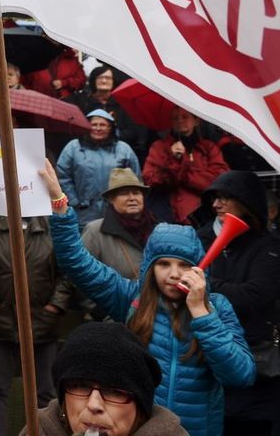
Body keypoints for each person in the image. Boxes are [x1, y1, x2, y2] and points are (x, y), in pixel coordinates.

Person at [42, 160, 255, 436]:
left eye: (182, 265)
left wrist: (202, 313)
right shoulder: (132, 298)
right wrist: (59, 204)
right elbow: (77, 262)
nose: (173, 273)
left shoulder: (218, 307)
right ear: (150, 268)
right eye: (163, 264)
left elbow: (240, 375)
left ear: (198, 268)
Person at [0, 209, 70, 435]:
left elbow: (67, 271)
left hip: (43, 324)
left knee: (46, 393)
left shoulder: (50, 224)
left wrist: (53, 307)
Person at [199, 171, 280, 435]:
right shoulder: (199, 238)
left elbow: (253, 297)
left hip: (256, 365)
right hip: (208, 360)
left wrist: (206, 283)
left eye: (226, 197)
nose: (217, 204)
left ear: (247, 201)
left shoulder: (270, 246)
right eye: (215, 198)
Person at [21, 321, 186, 436]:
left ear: (140, 408)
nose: (94, 405)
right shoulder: (37, 431)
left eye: (114, 392)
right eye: (81, 386)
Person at [56, 109, 142, 227]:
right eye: (94, 124)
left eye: (103, 125)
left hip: (117, 212)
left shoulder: (123, 149)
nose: (98, 128)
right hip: (83, 212)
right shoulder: (73, 147)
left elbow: (135, 179)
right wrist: (73, 200)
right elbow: (63, 176)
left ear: (110, 128)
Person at [143, 108, 229, 224]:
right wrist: (173, 159)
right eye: (175, 118)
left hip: (207, 215)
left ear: (196, 120)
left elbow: (219, 180)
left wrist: (183, 174)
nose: (180, 121)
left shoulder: (209, 147)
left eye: (185, 117)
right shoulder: (159, 147)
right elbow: (151, 179)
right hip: (171, 217)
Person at [81, 167, 156, 283]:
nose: (132, 198)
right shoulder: (95, 231)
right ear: (112, 199)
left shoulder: (158, 228)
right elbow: (83, 275)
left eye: (136, 193)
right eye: (124, 193)